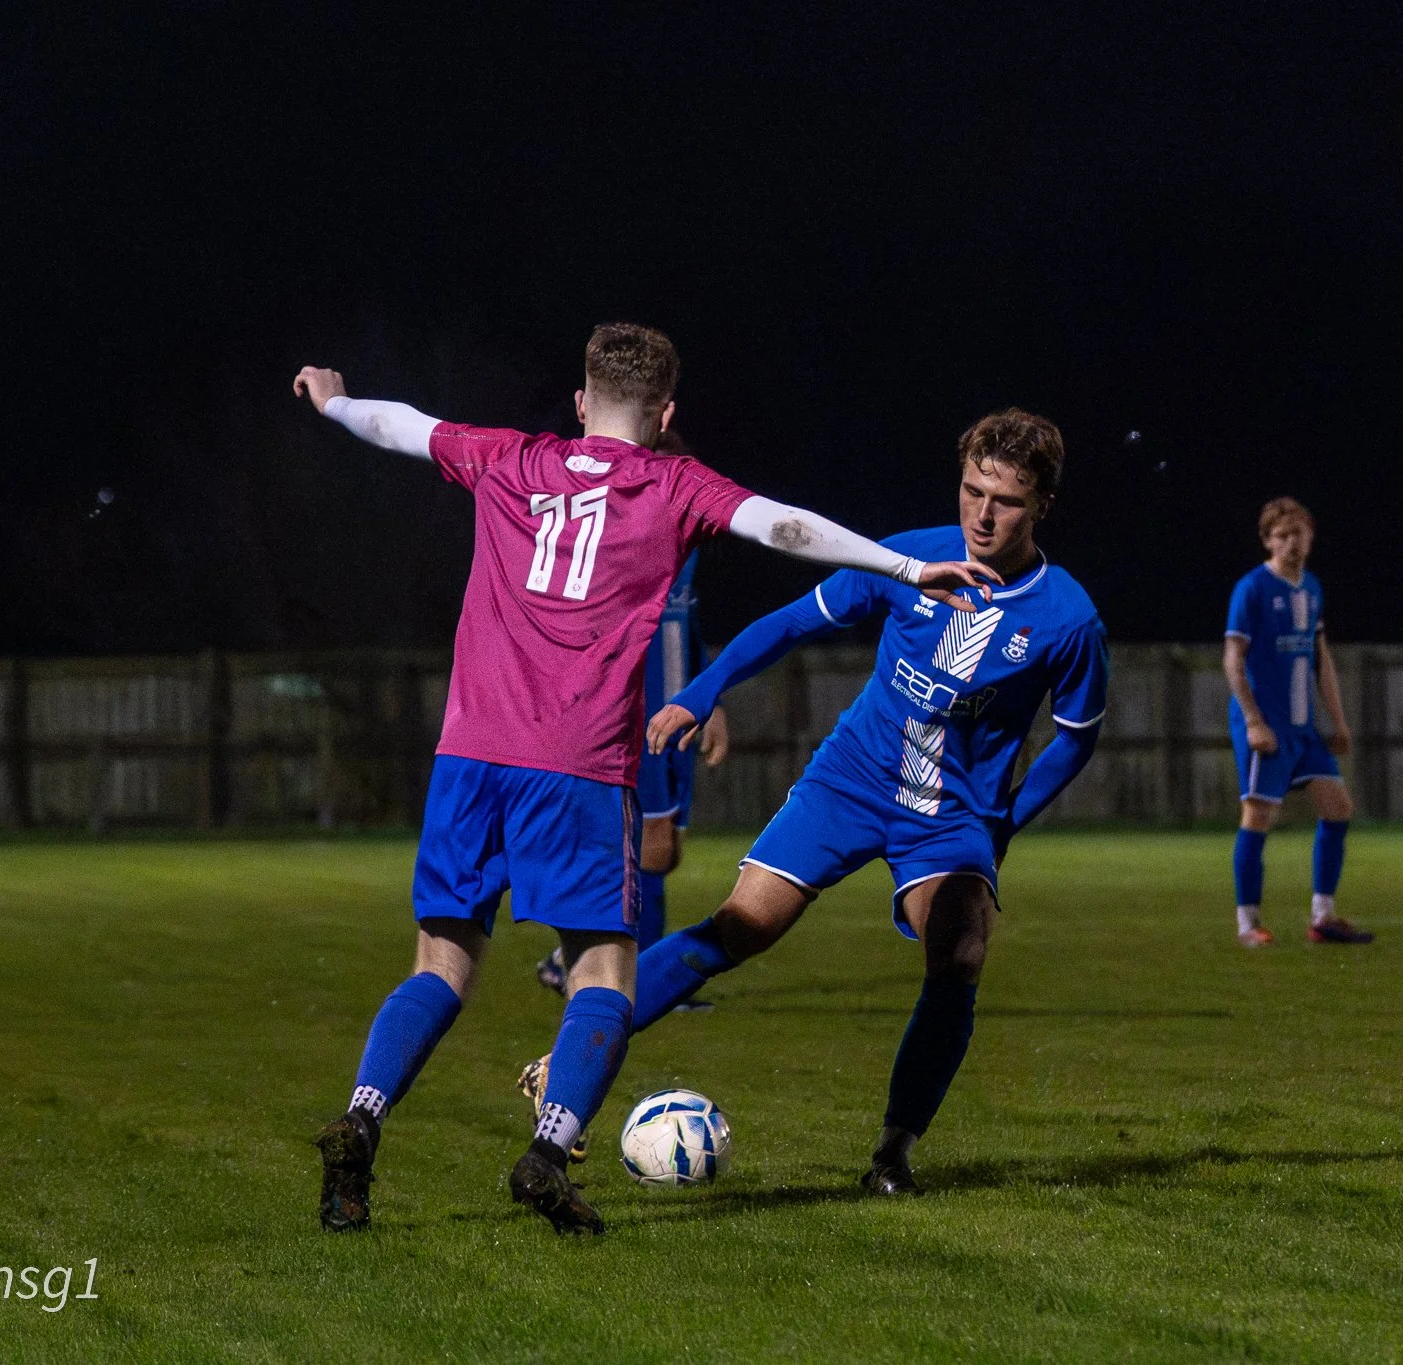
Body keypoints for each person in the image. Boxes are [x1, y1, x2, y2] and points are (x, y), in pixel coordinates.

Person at [294, 323, 998, 1235]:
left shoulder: (508, 457)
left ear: (581, 402)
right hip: (579, 764)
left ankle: (362, 1118)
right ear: (666, 415)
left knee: (441, 963)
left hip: (469, 754)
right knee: (603, 976)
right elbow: (782, 524)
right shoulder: (674, 485)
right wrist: (905, 565)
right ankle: (548, 1152)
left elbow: (402, 425)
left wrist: (337, 401)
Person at [568, 408, 1106, 1196]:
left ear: (1044, 505)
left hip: (951, 815)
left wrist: (1005, 821)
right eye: (971, 490)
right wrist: (702, 690)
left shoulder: (1067, 617)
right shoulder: (906, 559)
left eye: (1007, 500)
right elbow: (793, 623)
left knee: (960, 951)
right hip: (851, 780)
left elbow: (1076, 738)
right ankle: (568, 1064)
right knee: (741, 927)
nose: (983, 514)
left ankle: (893, 1152)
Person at [535, 431, 728, 993]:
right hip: (638, 717)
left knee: (662, 853)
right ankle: (628, 981)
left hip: (678, 712)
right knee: (650, 849)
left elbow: (686, 627)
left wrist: (710, 700)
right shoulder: (618, 547)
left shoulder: (685, 546)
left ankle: (578, 962)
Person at [1222, 496, 1373, 947]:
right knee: (1258, 815)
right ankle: (1248, 925)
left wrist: (1338, 722)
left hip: (1303, 728)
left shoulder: (1312, 589)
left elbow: (1320, 660)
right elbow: (1232, 659)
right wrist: (1253, 721)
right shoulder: (1252, 588)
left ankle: (1323, 918)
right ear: (1267, 541)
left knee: (1338, 808)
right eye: (1281, 535)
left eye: (1298, 534)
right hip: (1266, 724)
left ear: (1310, 538)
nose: (1291, 542)